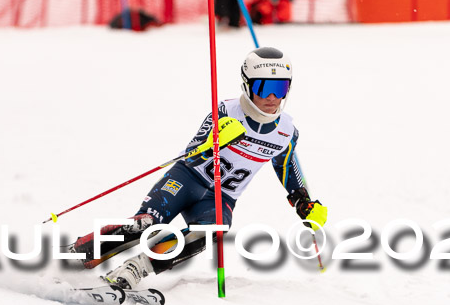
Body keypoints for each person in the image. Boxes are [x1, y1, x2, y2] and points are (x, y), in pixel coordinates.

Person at [72, 47, 328, 289]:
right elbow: (193, 154)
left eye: (280, 87)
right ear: (248, 85)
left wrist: (303, 202)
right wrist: (214, 142)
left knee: (210, 231)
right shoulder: (226, 110)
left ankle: (135, 269)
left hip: (221, 197)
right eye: (263, 87)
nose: (272, 97)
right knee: (146, 224)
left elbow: (287, 169)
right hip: (187, 179)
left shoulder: (286, 132)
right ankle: (77, 255)